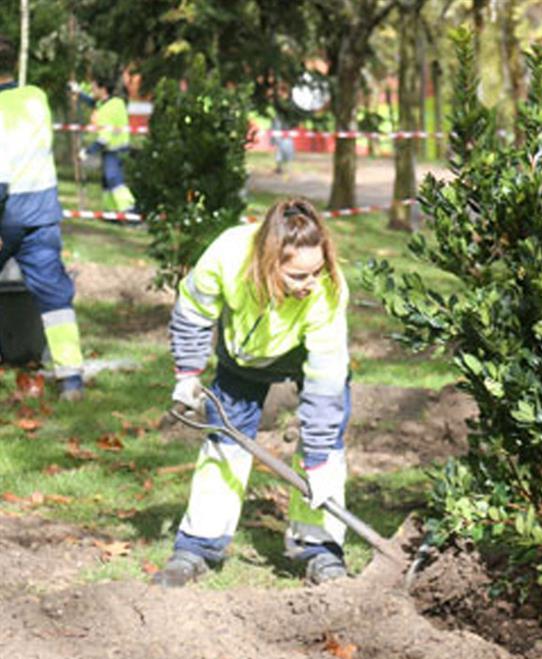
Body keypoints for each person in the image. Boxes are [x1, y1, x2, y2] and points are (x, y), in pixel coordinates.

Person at [153, 198, 352, 587]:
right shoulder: (227, 254)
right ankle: (198, 545)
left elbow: (326, 385)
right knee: (224, 444)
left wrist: (318, 462)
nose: (310, 284)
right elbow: (193, 309)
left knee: (323, 452)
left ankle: (320, 549)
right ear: (267, 261)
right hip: (241, 357)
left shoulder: (325, 293)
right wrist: (188, 372)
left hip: (303, 355)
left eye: (317, 271)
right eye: (298, 275)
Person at [0, 34, 86, 400]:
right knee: (54, 297)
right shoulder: (36, 98)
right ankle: (71, 379)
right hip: (42, 212)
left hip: (8, 212)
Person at [72, 75, 137, 214]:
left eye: (94, 88)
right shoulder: (110, 103)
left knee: (113, 180)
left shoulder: (109, 108)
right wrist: (78, 92)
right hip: (114, 149)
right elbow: (92, 102)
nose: (92, 90)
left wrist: (86, 153)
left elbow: (104, 140)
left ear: (103, 89)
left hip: (115, 149)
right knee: (107, 182)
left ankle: (129, 211)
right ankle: (111, 212)